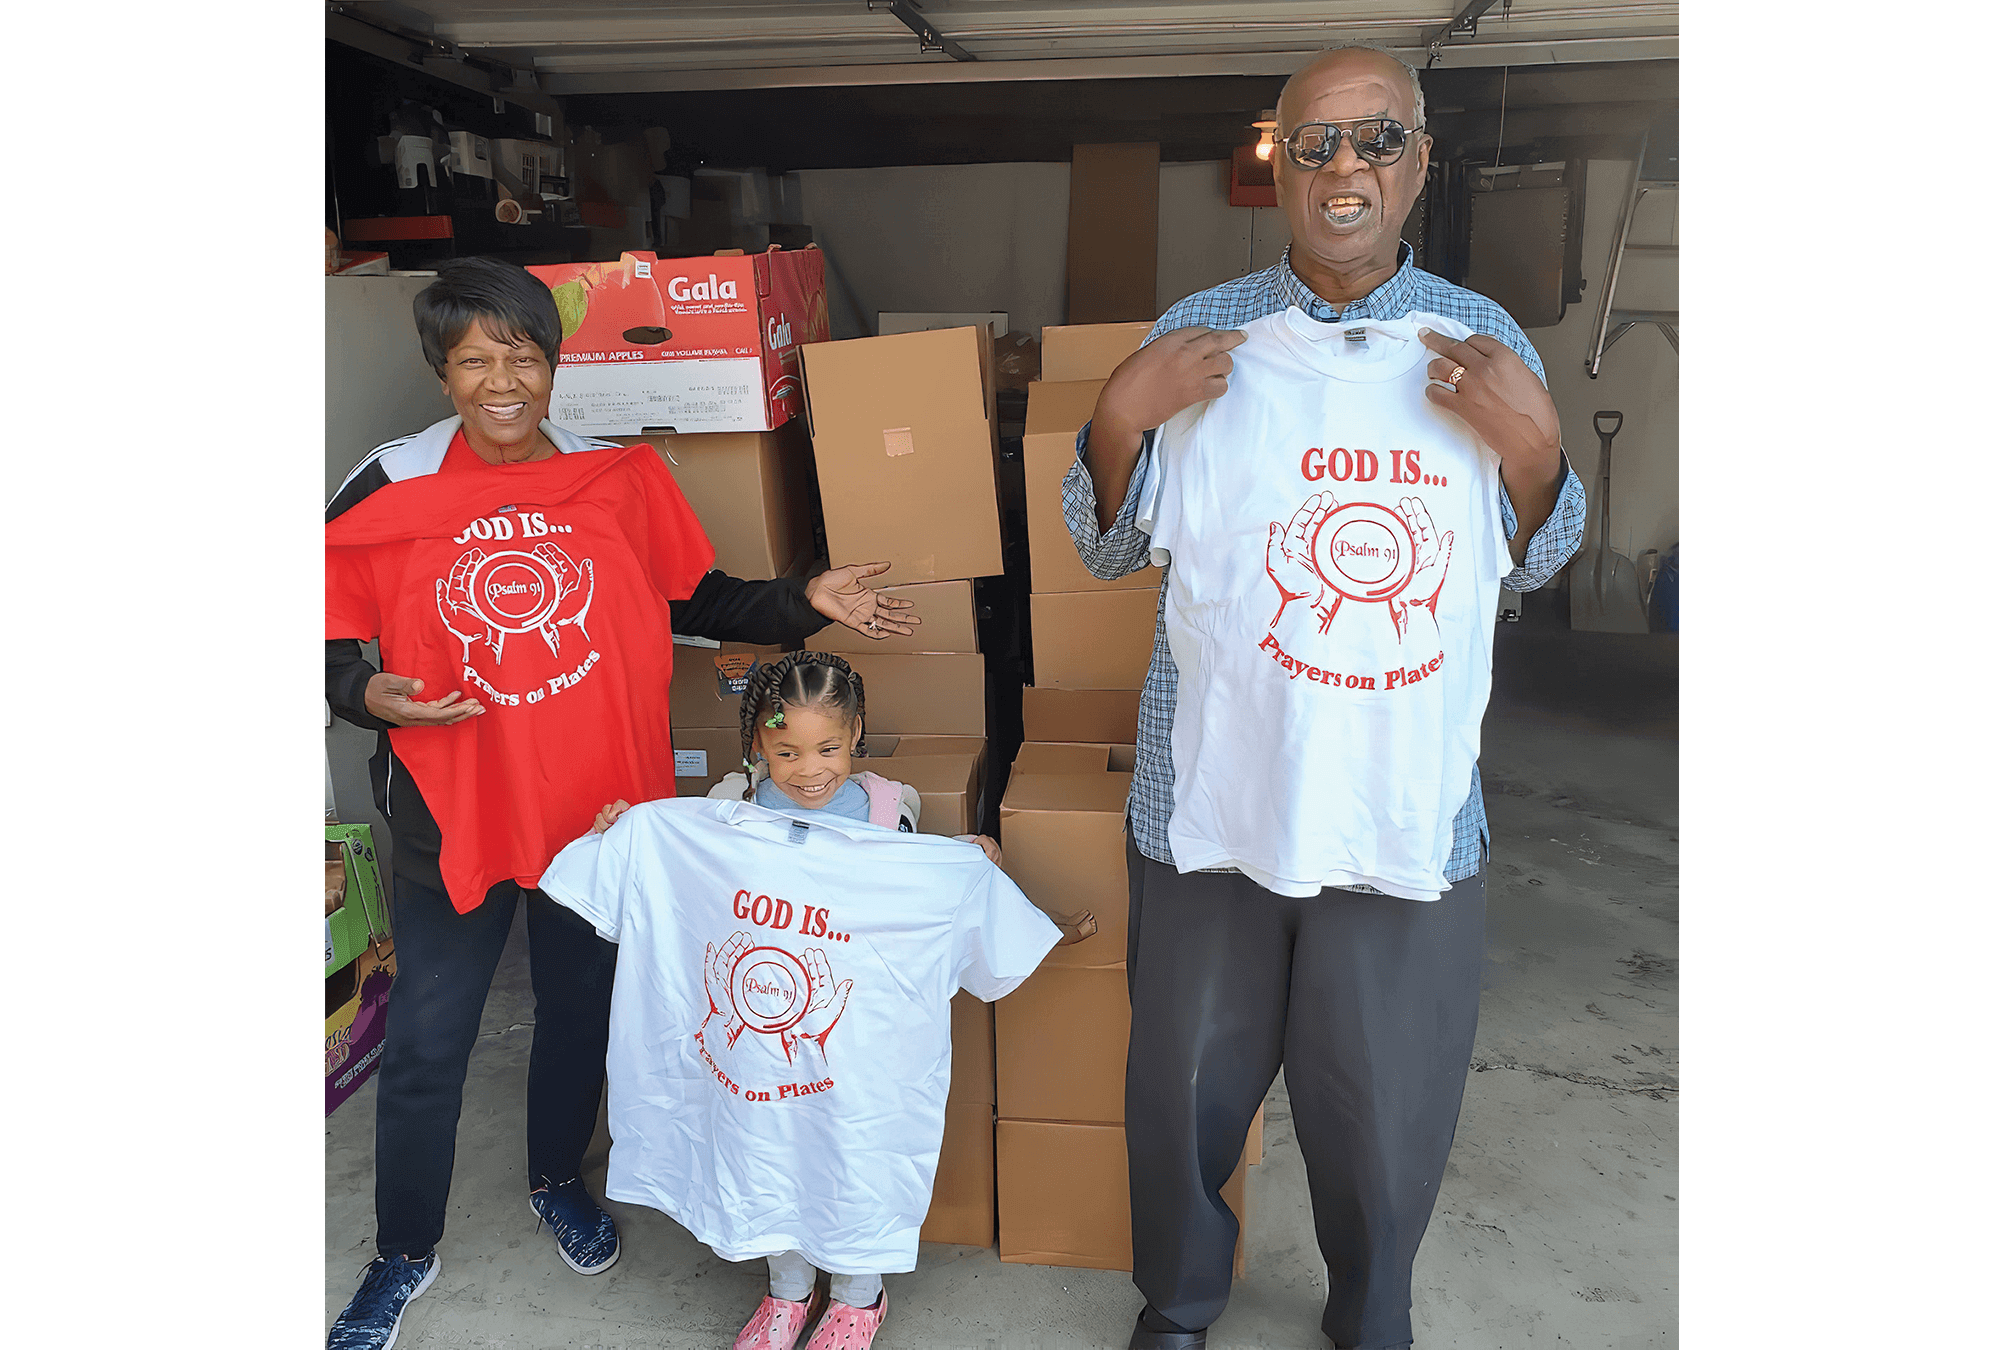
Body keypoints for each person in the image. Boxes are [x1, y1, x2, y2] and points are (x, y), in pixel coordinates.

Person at [1063, 45, 1589, 1350]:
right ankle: (1178, 1300)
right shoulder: (1202, 335)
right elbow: (1108, 545)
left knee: (1387, 1095)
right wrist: (1121, 415)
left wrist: (1535, 458)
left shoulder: (1482, 339)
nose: (1344, 168)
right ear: (1276, 162)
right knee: (1183, 1086)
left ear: (1419, 162)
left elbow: (1541, 549)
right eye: (1316, 144)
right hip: (1215, 797)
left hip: (1402, 809)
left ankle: (1374, 1308)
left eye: (1375, 141)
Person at [323, 257, 919, 1350]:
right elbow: (327, 635)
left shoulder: (616, 478)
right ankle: (401, 1254)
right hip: (449, 809)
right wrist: (364, 692)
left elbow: (698, 593)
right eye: (473, 360)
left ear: (554, 365)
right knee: (424, 1046)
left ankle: (558, 1178)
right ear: (438, 370)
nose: (500, 381)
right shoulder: (390, 480)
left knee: (577, 1017)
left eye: (523, 356)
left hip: (601, 816)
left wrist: (805, 600)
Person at [580, 651, 1094, 1350]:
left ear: (856, 736)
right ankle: (787, 1292)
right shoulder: (726, 811)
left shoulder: (888, 811)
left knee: (851, 1156)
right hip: (755, 1050)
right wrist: (624, 838)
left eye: (827, 747)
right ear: (756, 745)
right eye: (785, 750)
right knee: (765, 1151)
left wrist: (966, 860)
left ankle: (858, 1298)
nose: (809, 768)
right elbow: (677, 882)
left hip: (857, 1051)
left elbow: (918, 892)